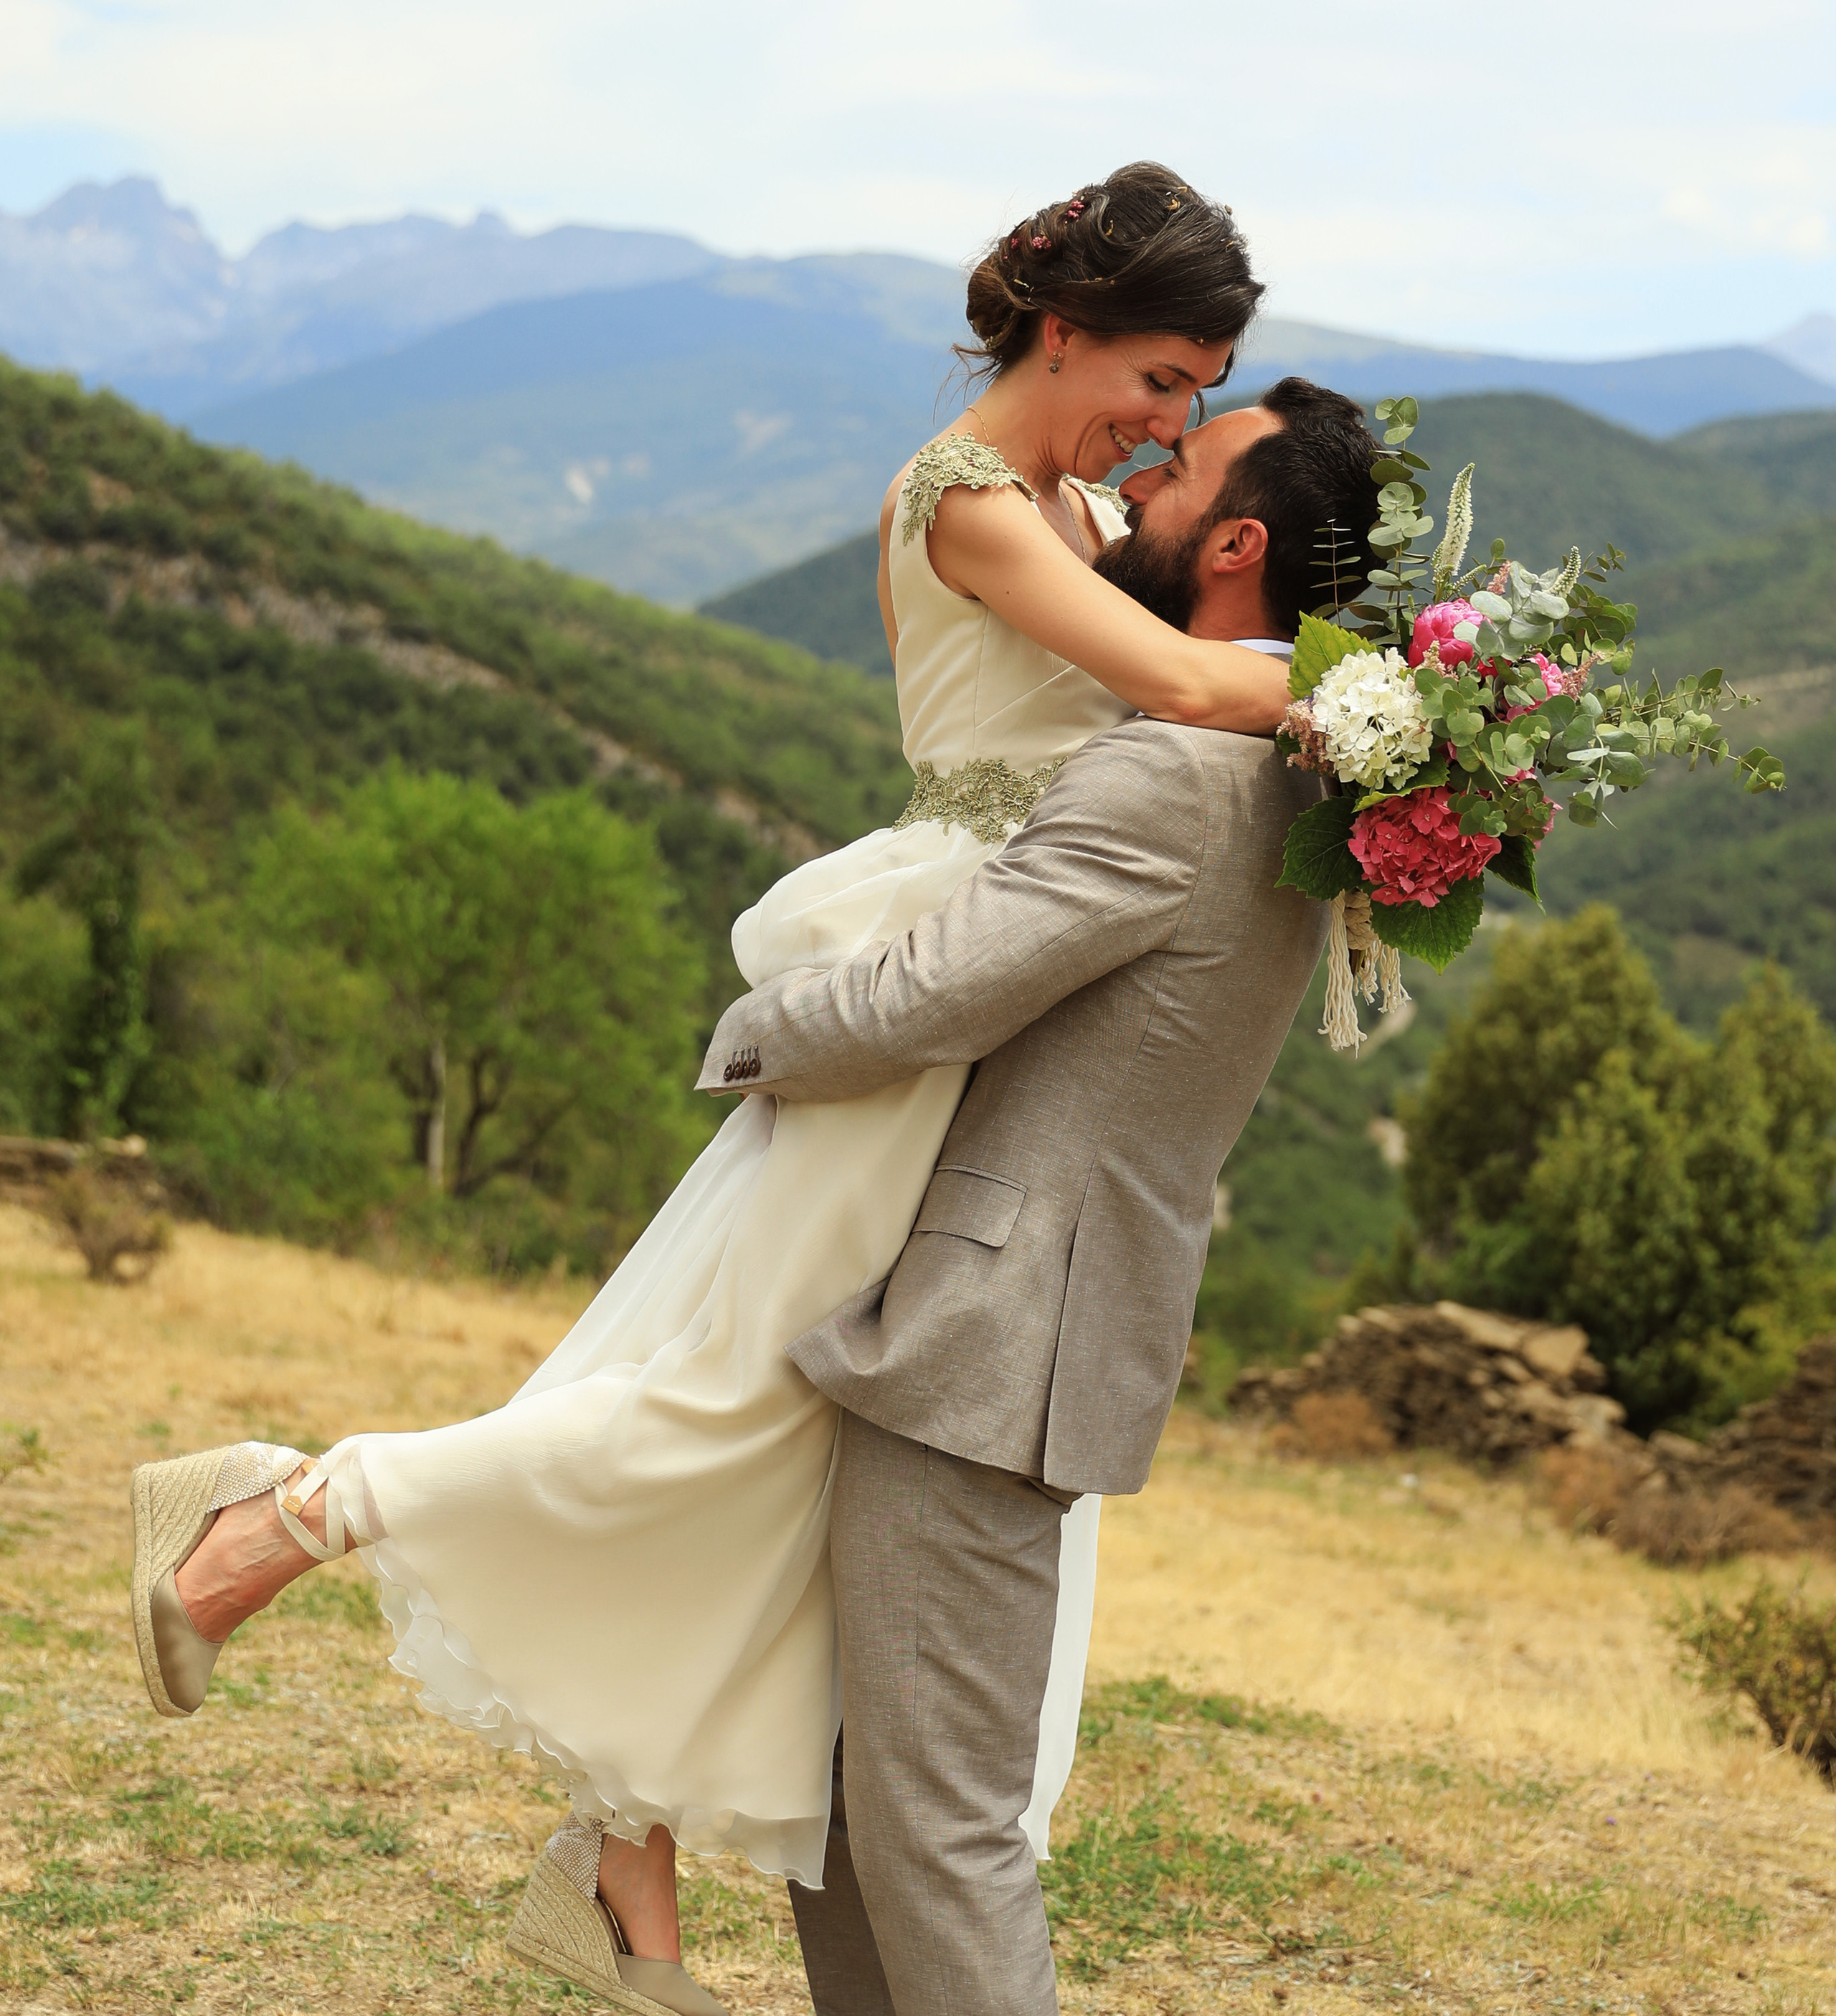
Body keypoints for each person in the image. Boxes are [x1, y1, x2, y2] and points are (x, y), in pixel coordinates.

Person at [128, 166, 1302, 2014]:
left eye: (1194, 397)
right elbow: (1175, 686)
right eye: (1159, 379)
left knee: (767, 1461)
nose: (1163, 427)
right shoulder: (976, 501)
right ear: (1063, 328)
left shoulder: (1088, 501)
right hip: (931, 967)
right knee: (727, 1408)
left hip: (1001, 994)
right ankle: (284, 1515)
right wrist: (1394, 699)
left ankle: (617, 1848)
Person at [696, 377, 1384, 2016]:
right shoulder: (1292, 781)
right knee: (864, 1802)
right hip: (1026, 1329)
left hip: (993, 1338)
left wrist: (746, 1027)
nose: (1142, 470)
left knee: (936, 1826)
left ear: (1231, 543)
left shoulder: (1170, 780)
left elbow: (923, 998)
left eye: (1183, 465)